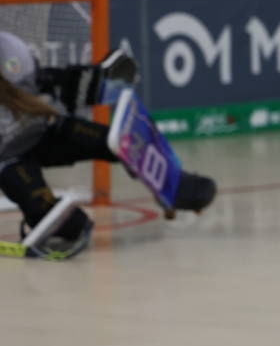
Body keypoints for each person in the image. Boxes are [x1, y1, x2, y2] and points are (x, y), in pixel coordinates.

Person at [0, 30, 215, 258]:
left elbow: (49, 83)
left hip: (44, 132)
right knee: (66, 224)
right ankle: (45, 217)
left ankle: (173, 181)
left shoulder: (10, 50)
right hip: (8, 160)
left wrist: (88, 83)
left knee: (120, 138)